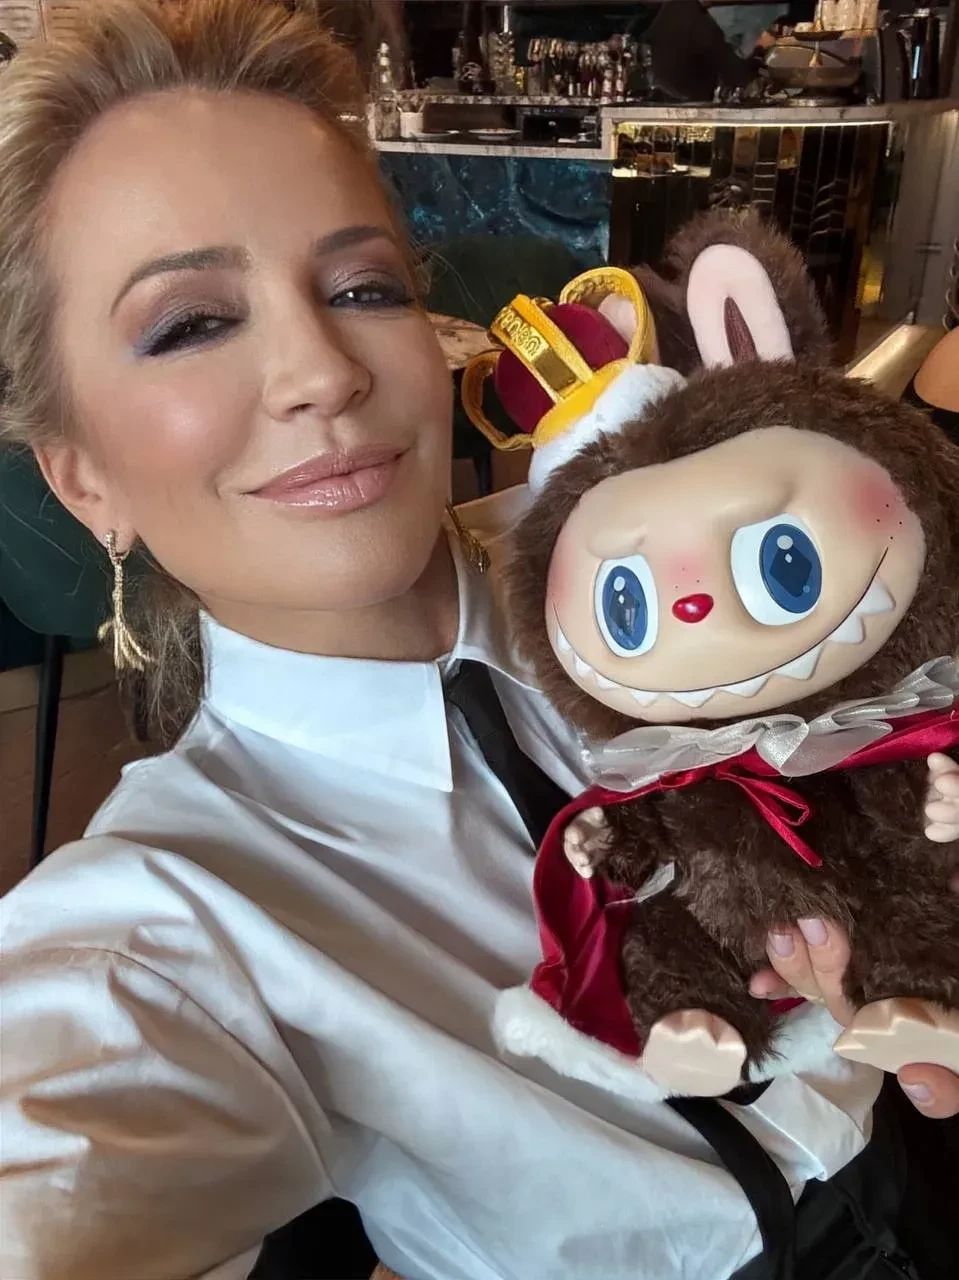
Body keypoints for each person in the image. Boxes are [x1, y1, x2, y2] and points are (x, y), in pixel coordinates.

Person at [0, 3, 956, 1279]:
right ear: (81, 478)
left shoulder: (651, 556)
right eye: (190, 323)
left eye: (362, 288)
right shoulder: (161, 922)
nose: (321, 370)